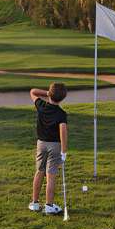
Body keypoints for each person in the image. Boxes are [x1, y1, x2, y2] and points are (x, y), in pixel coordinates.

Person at [27, 82, 69, 215]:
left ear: (50, 94)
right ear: (63, 98)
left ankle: (34, 203)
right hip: (55, 146)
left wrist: (47, 93)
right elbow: (63, 132)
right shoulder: (61, 113)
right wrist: (64, 151)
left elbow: (33, 91)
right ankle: (49, 206)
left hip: (41, 144)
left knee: (39, 171)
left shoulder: (41, 105)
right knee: (51, 176)